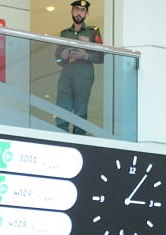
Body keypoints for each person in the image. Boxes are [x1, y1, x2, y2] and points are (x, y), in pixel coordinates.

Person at [53, 0, 103, 134]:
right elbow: (57, 60)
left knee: (80, 107)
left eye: (82, 10)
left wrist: (85, 55)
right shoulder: (64, 33)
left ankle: (79, 137)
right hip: (67, 72)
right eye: (76, 9)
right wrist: (62, 56)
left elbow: (101, 57)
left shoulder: (93, 32)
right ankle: (61, 135)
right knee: (62, 105)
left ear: (87, 13)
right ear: (71, 11)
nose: (79, 13)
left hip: (84, 73)